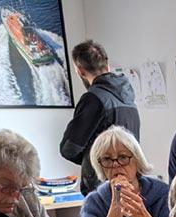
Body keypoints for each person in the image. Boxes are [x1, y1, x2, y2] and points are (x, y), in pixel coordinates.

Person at [81, 126, 169, 217]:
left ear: (137, 160)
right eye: (107, 159)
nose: (115, 165)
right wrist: (114, 214)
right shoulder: (94, 202)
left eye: (123, 157)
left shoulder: (164, 194)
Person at [60, 40, 140, 195]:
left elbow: (69, 148)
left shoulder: (93, 99)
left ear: (79, 70)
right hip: (130, 182)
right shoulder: (129, 98)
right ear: (107, 66)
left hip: (102, 187)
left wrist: (96, 161)